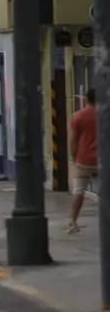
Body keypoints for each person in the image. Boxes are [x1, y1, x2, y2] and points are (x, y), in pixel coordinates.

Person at [69, 88, 98, 234]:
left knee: (78, 192)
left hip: (83, 160)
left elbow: (73, 141)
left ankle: (73, 222)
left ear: (86, 99)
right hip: (102, 160)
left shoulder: (78, 116)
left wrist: (74, 158)